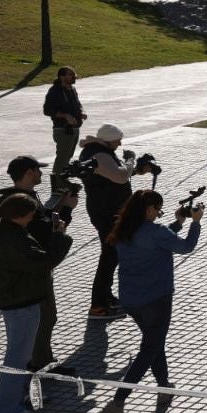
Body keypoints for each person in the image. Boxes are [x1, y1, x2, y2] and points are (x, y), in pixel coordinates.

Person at [99, 189, 202, 413]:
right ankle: (118, 401)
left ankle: (164, 388)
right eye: (157, 209)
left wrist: (177, 223)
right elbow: (185, 247)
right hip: (156, 299)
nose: (158, 214)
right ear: (148, 209)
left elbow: (156, 240)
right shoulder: (156, 232)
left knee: (155, 343)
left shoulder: (124, 228)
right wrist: (195, 223)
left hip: (131, 299)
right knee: (149, 349)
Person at [0, 191, 73, 413]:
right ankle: (5, 409)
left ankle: (20, 396)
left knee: (21, 356)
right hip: (20, 303)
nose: (32, 219)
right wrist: (59, 236)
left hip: (14, 299)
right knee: (16, 358)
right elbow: (43, 262)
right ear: (19, 216)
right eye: (30, 215)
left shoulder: (1, 231)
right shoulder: (12, 239)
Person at [0, 155, 79, 377]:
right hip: (34, 269)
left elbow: (42, 222)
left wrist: (61, 203)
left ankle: (43, 360)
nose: (42, 173)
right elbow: (45, 232)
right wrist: (68, 210)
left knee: (47, 316)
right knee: (46, 316)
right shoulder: (22, 202)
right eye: (38, 170)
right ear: (29, 173)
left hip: (33, 266)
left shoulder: (21, 198)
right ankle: (39, 364)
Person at [77, 123, 139, 320]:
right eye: (118, 139)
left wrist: (134, 169)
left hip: (105, 210)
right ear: (109, 139)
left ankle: (106, 296)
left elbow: (114, 174)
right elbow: (120, 176)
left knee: (111, 255)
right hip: (106, 212)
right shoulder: (99, 155)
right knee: (109, 256)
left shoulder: (99, 152)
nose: (120, 143)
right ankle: (98, 306)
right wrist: (130, 160)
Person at [43, 66, 86, 193]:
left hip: (74, 128)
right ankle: (57, 183)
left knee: (68, 156)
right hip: (62, 129)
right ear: (62, 76)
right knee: (62, 157)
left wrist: (82, 112)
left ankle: (63, 179)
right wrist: (65, 116)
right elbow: (47, 110)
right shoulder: (55, 91)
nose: (73, 77)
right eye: (70, 75)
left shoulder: (72, 90)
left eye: (73, 75)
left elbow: (78, 105)